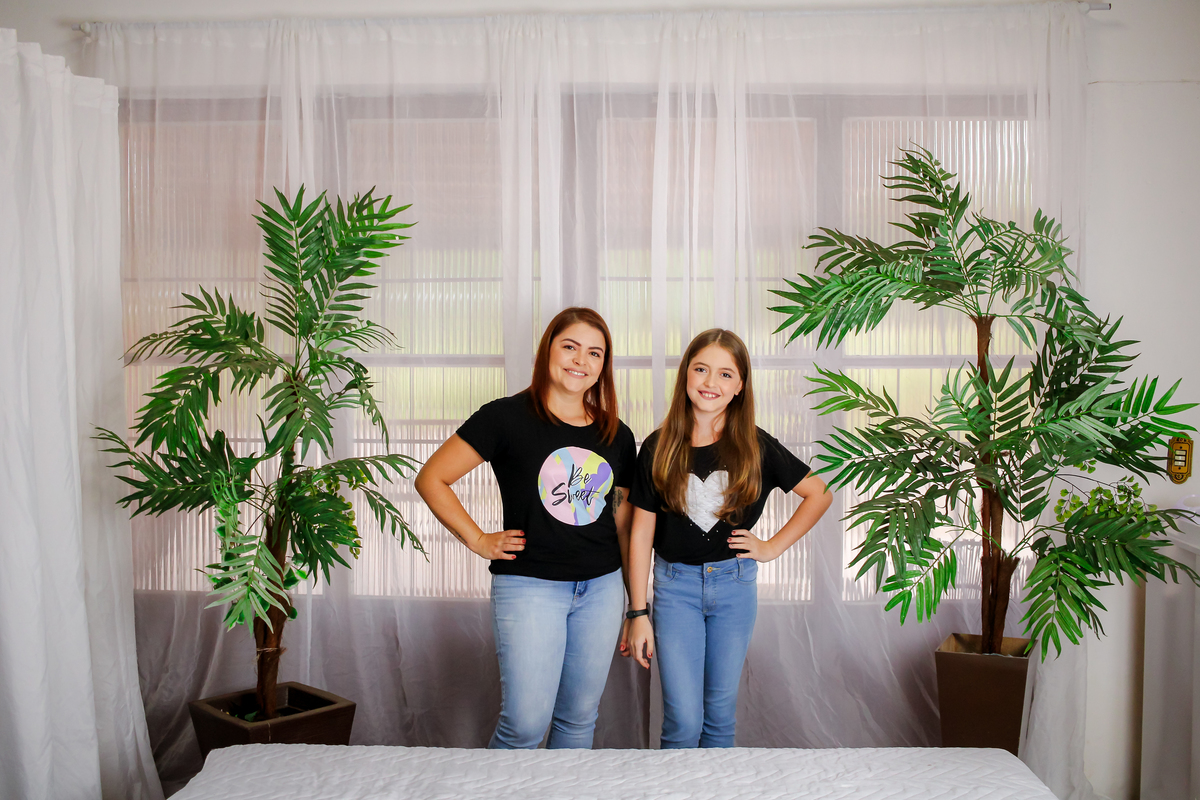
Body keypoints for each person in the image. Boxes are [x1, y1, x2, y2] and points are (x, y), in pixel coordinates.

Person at [414, 307, 637, 750]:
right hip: (530, 587)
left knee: (578, 720)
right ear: (547, 350)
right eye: (570, 346)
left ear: (603, 366)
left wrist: (635, 605)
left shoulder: (617, 434)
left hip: (602, 590)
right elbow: (431, 478)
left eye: (595, 353)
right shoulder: (505, 417)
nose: (581, 360)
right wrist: (478, 539)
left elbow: (623, 524)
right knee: (524, 725)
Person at [621, 328, 832, 748]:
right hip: (675, 588)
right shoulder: (659, 447)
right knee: (682, 720)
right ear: (685, 374)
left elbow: (820, 493)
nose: (710, 382)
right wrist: (637, 611)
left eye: (725, 374)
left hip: (734, 587)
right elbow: (641, 532)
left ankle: (717, 784)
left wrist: (771, 547)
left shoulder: (755, 446)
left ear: (740, 386)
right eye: (701, 369)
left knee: (719, 716)